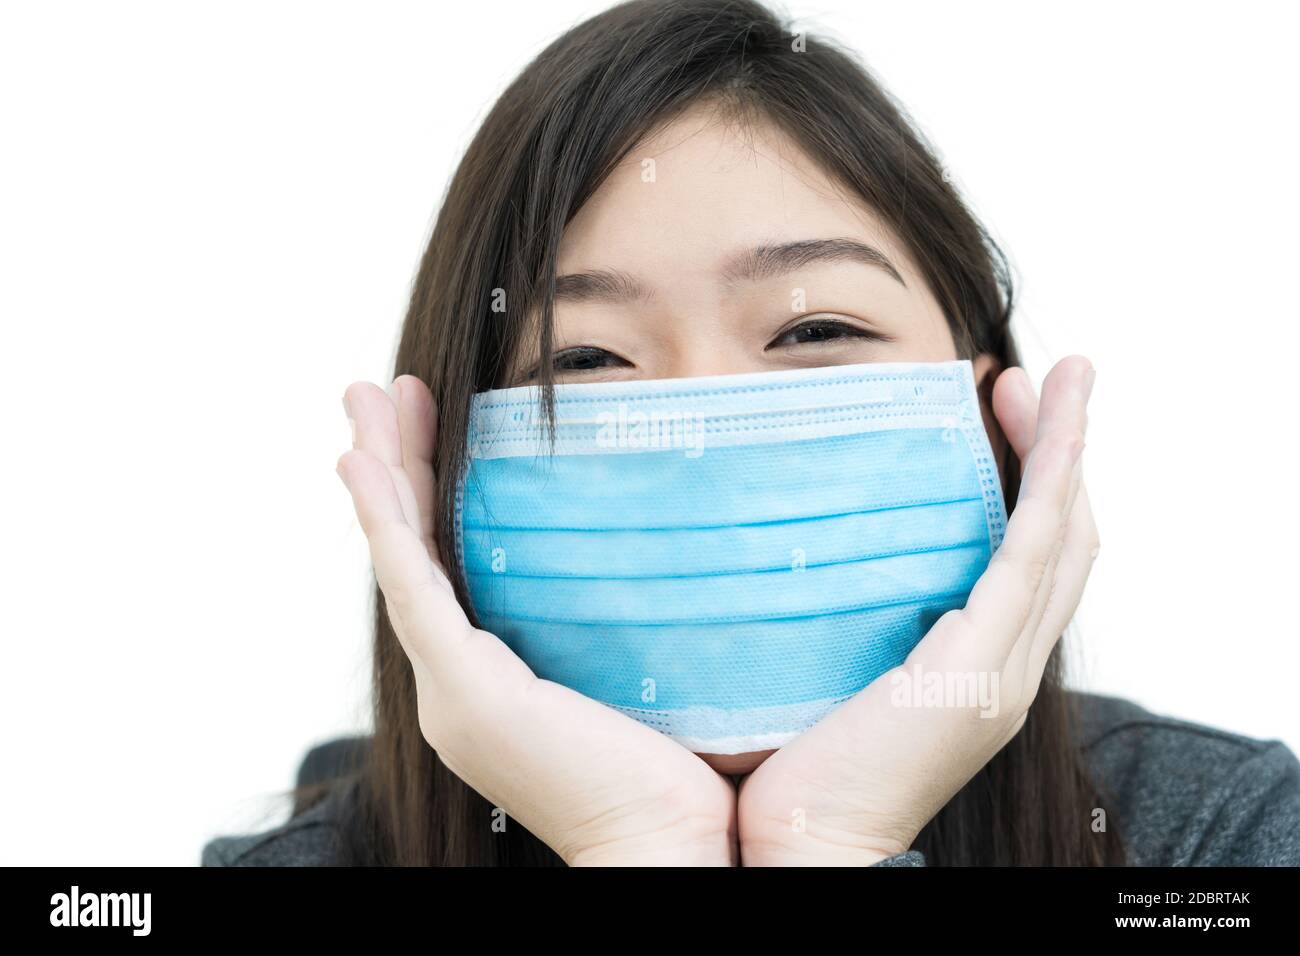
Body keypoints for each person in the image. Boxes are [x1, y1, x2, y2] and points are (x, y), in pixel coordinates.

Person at [202, 0, 1300, 866]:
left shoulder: (1220, 835)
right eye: (582, 358)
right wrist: (640, 849)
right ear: (441, 469)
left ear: (991, 412)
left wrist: (832, 842)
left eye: (814, 326)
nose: (704, 446)